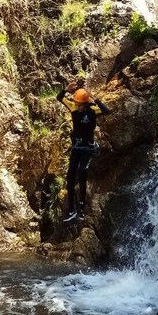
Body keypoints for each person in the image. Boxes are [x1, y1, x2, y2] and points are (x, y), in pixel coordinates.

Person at [57, 81, 111, 222]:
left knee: (82, 175)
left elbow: (106, 110)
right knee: (70, 177)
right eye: (76, 103)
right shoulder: (74, 108)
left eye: (80, 104)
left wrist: (93, 97)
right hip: (77, 147)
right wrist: (66, 90)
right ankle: (71, 209)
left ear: (85, 103)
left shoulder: (93, 110)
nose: (78, 106)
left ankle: (81, 209)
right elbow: (60, 97)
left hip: (87, 148)